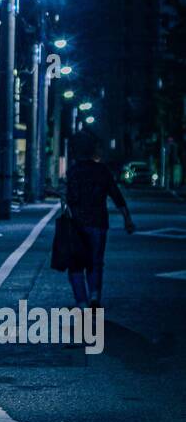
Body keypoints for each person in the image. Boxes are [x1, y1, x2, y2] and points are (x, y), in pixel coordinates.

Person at [65, 131, 135, 308]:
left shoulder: (73, 171)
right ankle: (95, 296)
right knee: (95, 262)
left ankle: (81, 301)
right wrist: (127, 218)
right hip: (99, 223)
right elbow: (116, 195)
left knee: (75, 264)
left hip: (77, 224)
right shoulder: (102, 171)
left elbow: (70, 198)